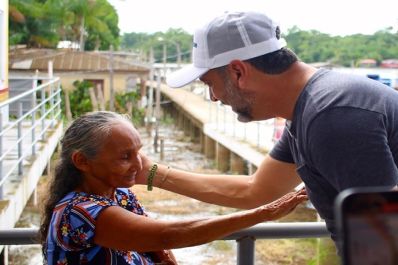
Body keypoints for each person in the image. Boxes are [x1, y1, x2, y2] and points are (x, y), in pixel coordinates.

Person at [134, 11, 398, 252]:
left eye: (209, 83)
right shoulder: (308, 110)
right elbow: (256, 190)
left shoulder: (332, 115)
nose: (213, 97)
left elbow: (386, 240)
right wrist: (150, 174)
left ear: (238, 71)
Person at [39, 111, 307, 265]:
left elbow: (157, 246)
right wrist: (264, 213)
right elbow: (168, 234)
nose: (138, 164)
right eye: (124, 157)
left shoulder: (119, 193)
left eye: (138, 153)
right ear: (82, 161)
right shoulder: (79, 211)